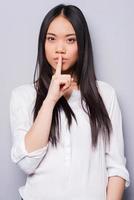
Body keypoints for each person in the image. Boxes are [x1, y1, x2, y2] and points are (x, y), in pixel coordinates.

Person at [9, 4, 130, 200]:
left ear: (82, 45)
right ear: (43, 43)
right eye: (51, 39)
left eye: (70, 40)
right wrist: (50, 99)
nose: (60, 49)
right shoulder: (23, 96)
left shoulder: (105, 95)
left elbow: (116, 168)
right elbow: (26, 162)